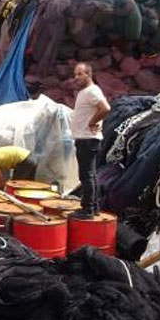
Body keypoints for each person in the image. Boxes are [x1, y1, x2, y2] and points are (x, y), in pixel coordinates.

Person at [71, 62, 110, 217]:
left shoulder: (92, 91)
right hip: (85, 139)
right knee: (90, 175)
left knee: (86, 175)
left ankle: (87, 209)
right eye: (75, 74)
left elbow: (105, 108)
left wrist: (92, 122)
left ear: (89, 74)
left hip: (87, 139)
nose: (76, 77)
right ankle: (94, 207)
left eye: (80, 74)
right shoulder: (85, 92)